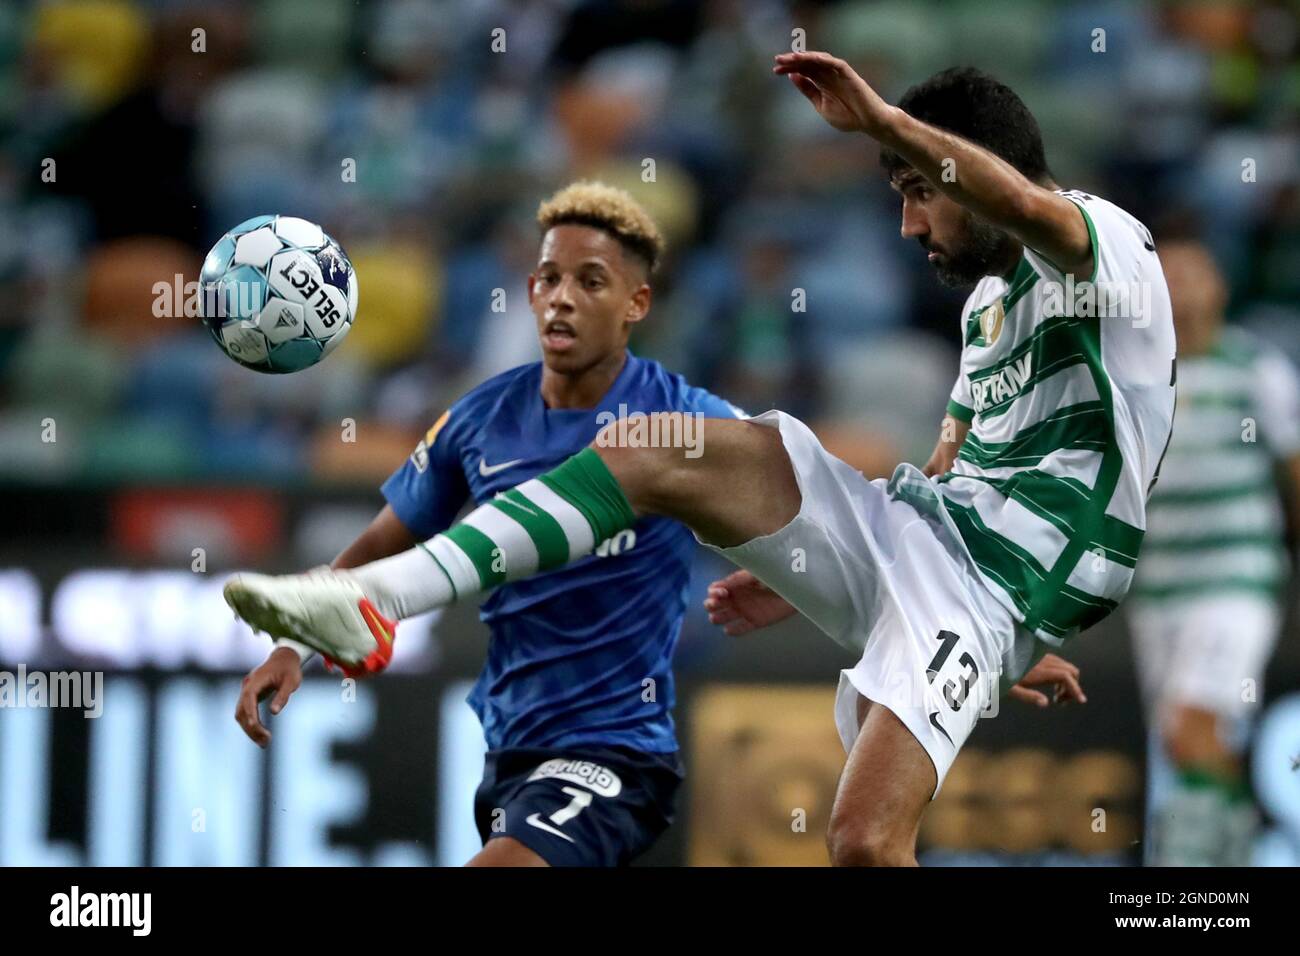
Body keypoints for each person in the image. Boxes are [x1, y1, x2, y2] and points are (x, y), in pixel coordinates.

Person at [227, 53, 1166, 866]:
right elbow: (954, 463)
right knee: (646, 447)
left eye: (919, 193)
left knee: (866, 843)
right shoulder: (985, 310)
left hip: (995, 590)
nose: (912, 226)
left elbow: (1022, 204)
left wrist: (884, 122)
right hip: (928, 547)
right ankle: (371, 602)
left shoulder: (1102, 244)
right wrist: (801, 560)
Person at [232, 181, 743, 866]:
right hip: (510, 754)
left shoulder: (683, 416)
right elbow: (385, 542)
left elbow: (787, 483)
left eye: (591, 282)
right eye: (550, 278)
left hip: (616, 753)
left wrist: (783, 577)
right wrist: (294, 644)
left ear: (636, 304)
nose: (562, 298)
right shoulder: (479, 420)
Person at [1125, 238, 1300, 866]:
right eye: (1164, 276)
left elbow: (1294, 473)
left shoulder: (1257, 370)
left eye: (1192, 274)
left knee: (1192, 723)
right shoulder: (1133, 380)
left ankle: (1191, 877)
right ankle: (1240, 855)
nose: (1180, 288)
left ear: (1221, 288)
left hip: (1235, 581)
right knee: (1183, 743)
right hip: (1159, 589)